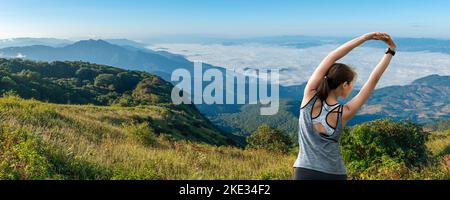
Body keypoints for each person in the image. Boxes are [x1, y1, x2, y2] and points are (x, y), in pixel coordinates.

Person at [292, 32, 397, 180]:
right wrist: (391, 50)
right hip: (335, 174)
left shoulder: (309, 97)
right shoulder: (345, 112)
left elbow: (331, 58)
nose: (352, 87)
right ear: (344, 84)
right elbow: (374, 79)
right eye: (351, 84)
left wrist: (364, 38)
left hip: (305, 171)